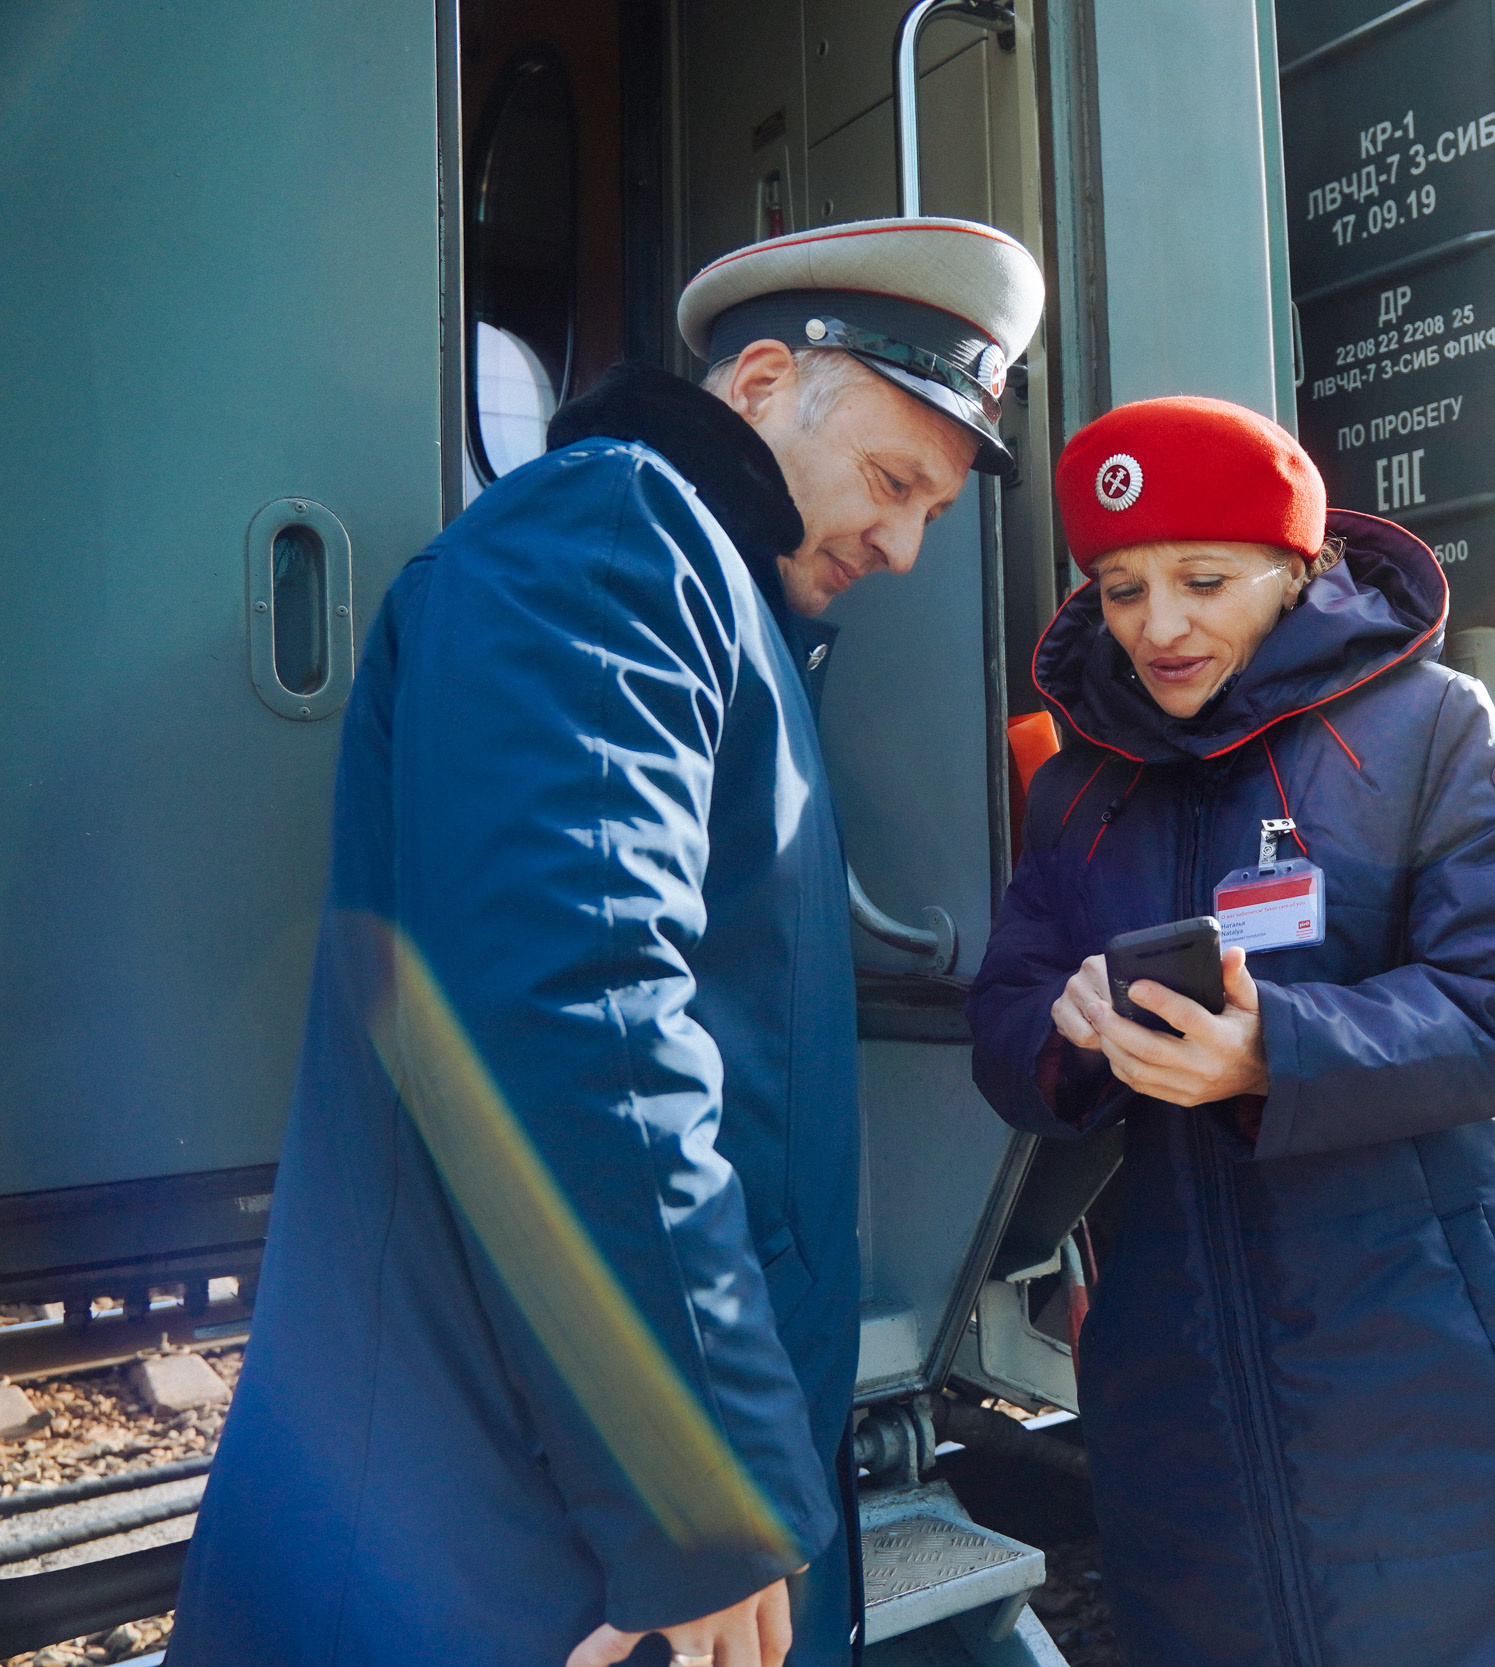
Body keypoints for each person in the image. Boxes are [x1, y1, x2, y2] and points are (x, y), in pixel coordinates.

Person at [171, 218, 1042, 1667]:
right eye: (896, 482)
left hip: (528, 1510)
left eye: (933, 513)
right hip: (517, 1539)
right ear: (763, 378)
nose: (900, 543)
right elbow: (582, 1015)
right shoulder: (615, 538)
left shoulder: (702, 585)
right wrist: (690, 1482)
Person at [966, 397, 1495, 1666]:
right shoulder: (1076, 785)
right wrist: (1070, 1029)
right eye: (1118, 588)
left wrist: (1280, 1046)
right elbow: (1005, 1016)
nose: (1157, 626)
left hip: (1442, 1333)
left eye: (1202, 579)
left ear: (1295, 567)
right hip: (1186, 1362)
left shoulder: (1430, 722)